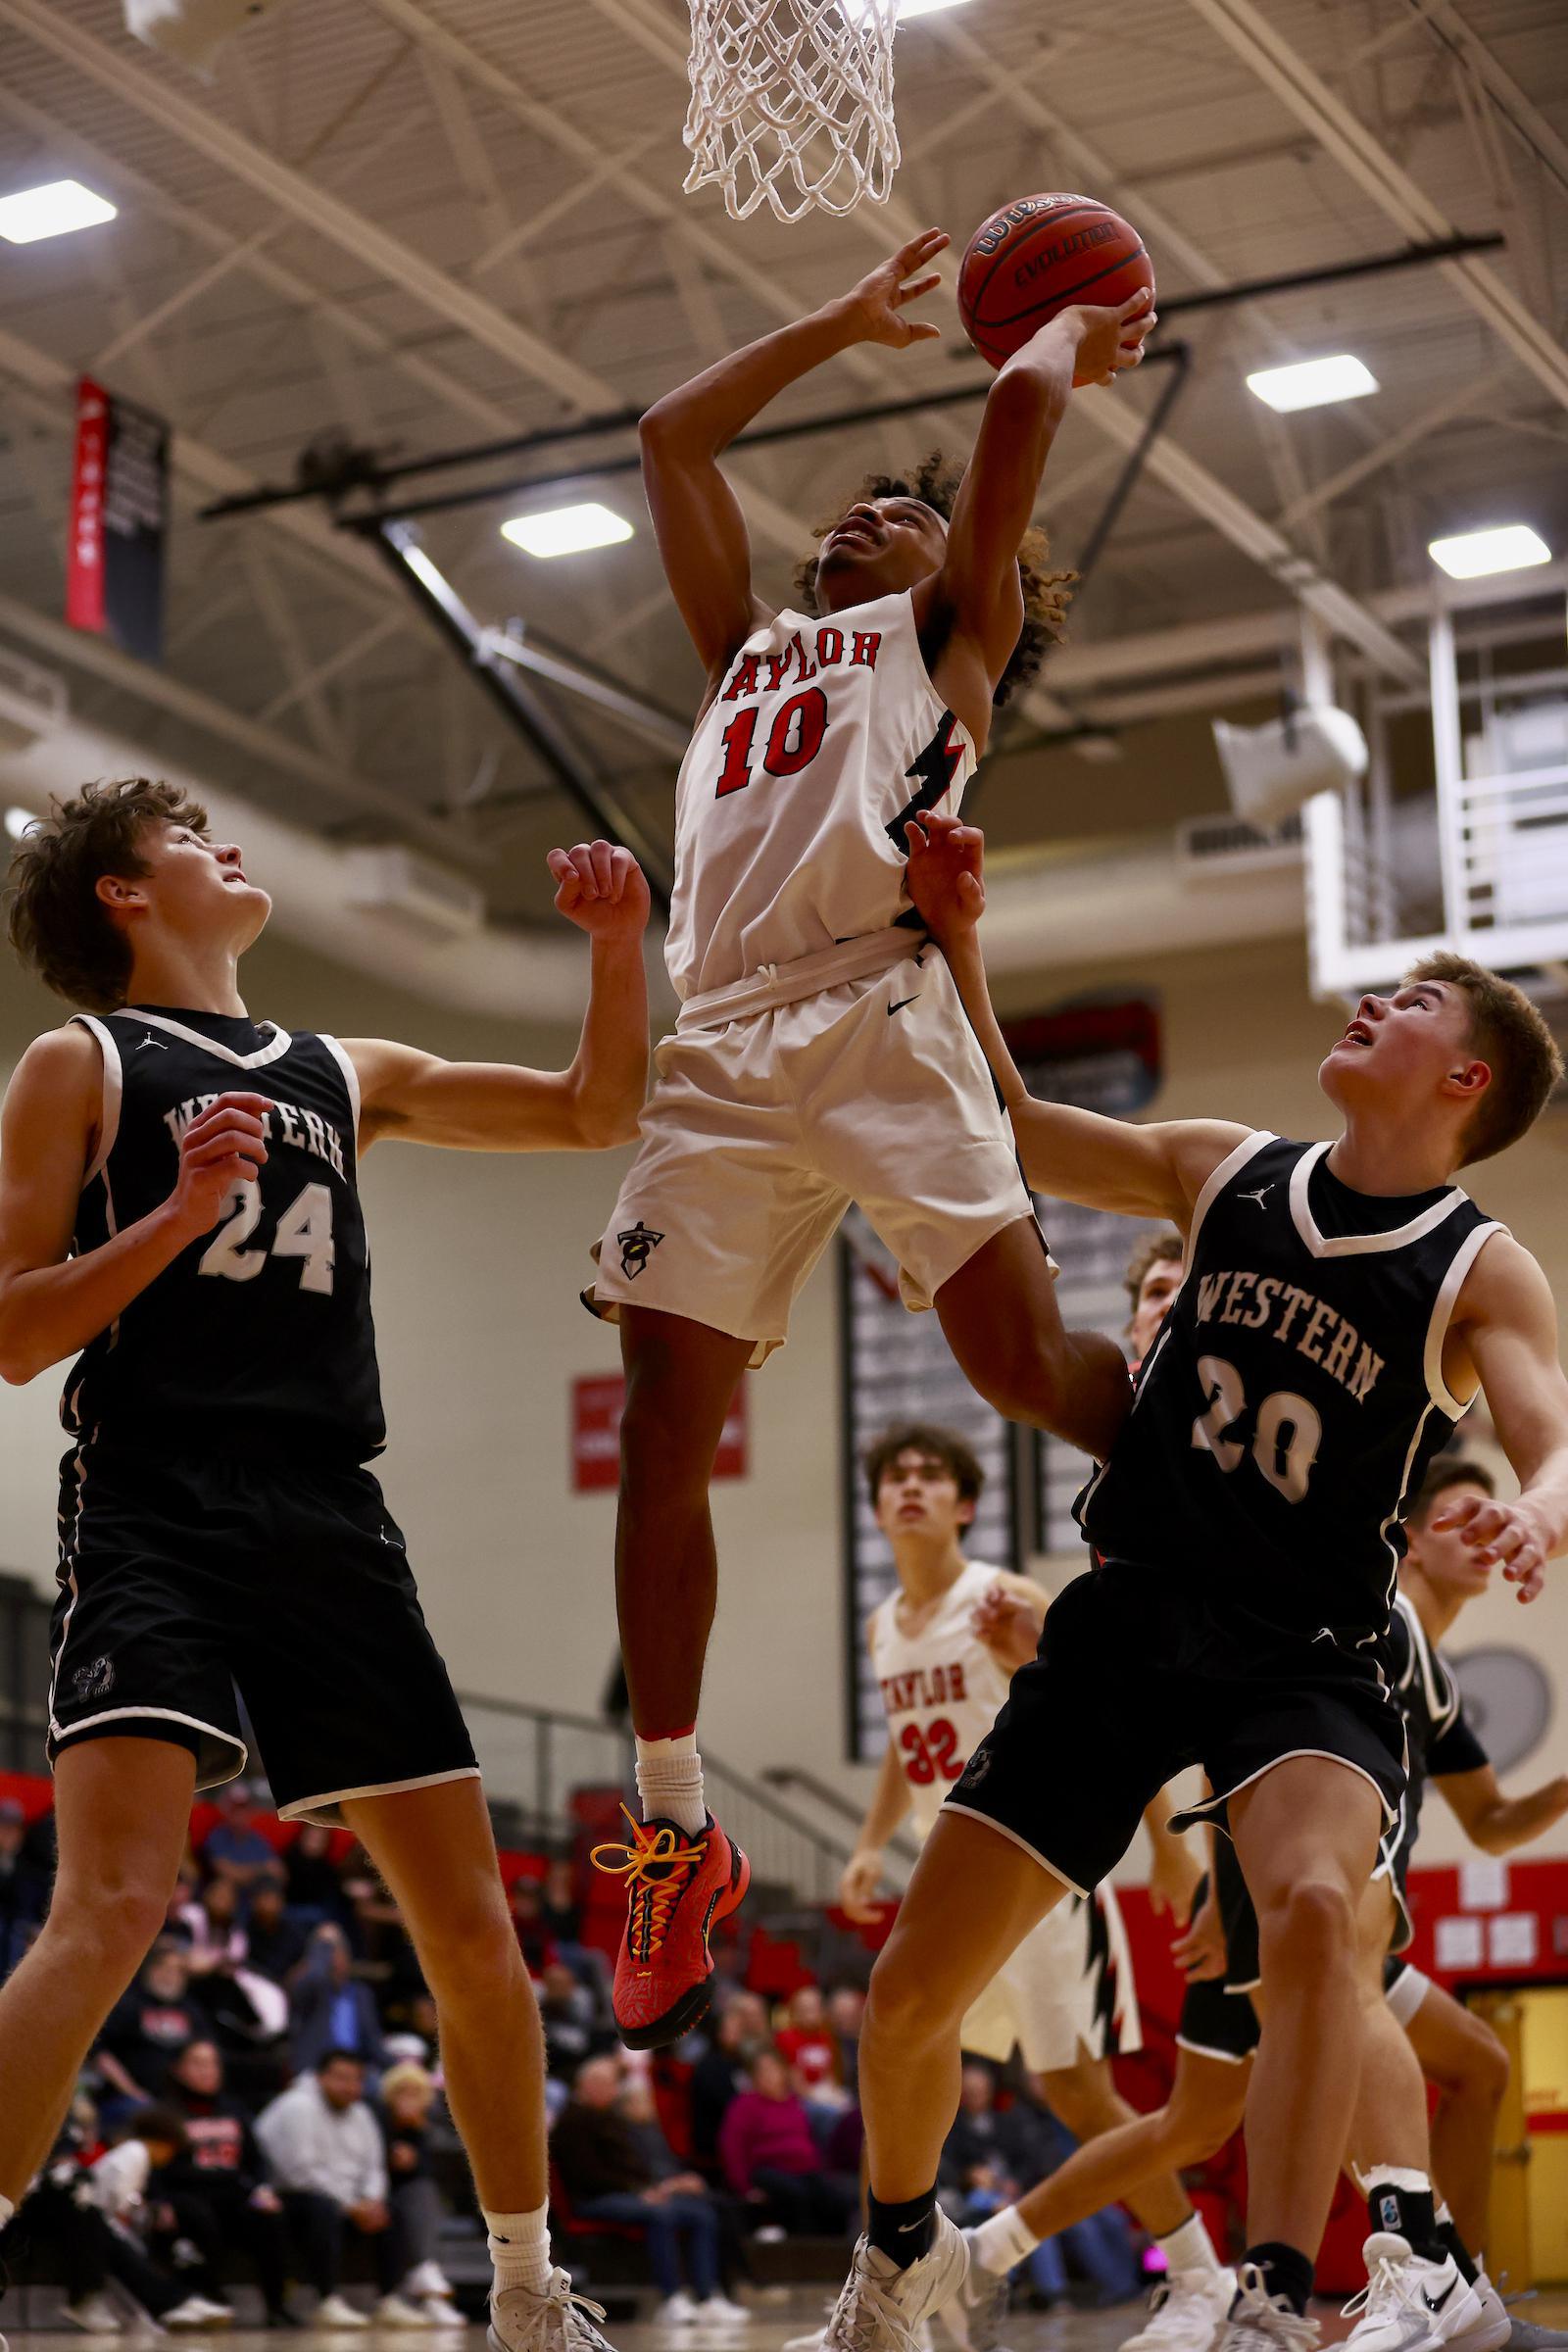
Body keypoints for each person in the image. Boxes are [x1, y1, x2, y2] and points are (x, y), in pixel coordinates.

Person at [812, 807, 1568, 2352]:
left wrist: (1541, 1513)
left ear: (1466, 1080)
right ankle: (895, 2263)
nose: (1376, 1001)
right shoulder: (1228, 1169)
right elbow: (1017, 1122)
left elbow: (1551, 1430)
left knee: (1316, 1913)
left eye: (1416, 1000)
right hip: (1134, 1615)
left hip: (1304, 1645)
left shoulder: (1476, 1261)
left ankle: (1276, 2296)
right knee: (908, 1996)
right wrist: (960, 935)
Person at [584, 230, 1155, 2050]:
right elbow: (672, 439)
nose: (859, 522)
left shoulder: (948, 644)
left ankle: (1228, 1502)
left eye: (896, 519)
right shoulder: (744, 656)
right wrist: (837, 322)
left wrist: (1062, 332)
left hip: (882, 1010)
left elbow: (1009, 425)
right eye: (845, 514)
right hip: (722, 1048)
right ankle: (675, 1824)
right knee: (663, 1425)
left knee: (1020, 1370)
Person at [0, 778, 651, 2352]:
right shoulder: (79, 1062)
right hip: (152, 1500)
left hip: (326, 1513)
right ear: (122, 894)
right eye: (185, 836)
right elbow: (14, 1332)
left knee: (472, 1931)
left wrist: (619, 946)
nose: (225, 843)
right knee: (110, 1908)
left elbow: (592, 1110)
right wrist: (176, 1217)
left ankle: (524, 2291)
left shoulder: (342, 1070)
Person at [840, 1419, 1228, 2348]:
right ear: (877, 1509)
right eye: (895, 1478)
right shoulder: (882, 1626)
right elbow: (905, 1745)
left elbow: (1109, 1711)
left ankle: (1199, 2274)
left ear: (965, 1505)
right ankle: (892, 2290)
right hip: (949, 1878)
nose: (911, 1487)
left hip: (1043, 1876)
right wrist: (869, 1842)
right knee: (899, 2069)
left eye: (931, 1475)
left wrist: (1169, 1845)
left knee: (1080, 2096)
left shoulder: (1004, 1598)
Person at [550, 2055, 734, 2328]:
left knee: (700, 2214)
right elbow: (587, 2176)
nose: (616, 2091)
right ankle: (671, 2298)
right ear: (590, 2084)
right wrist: (639, 2192)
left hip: (629, 2193)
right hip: (594, 2199)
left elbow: (635, 2166)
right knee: (661, 2214)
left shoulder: (609, 2116)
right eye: (611, 2084)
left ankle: (706, 2296)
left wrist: (657, 2187)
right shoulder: (572, 2121)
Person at [257, 2049, 404, 2328]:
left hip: (347, 2200)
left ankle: (388, 2299)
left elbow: (375, 2167)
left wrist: (371, 2200)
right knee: (322, 2209)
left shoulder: (361, 2112)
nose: (350, 2086)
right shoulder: (296, 2107)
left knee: (391, 2210)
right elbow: (299, 2174)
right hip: (290, 2198)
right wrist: (351, 2205)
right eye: (341, 2078)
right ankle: (326, 2300)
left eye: (356, 2079)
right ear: (320, 2077)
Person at [162, 2036, 293, 2328]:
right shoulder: (166, 2112)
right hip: (188, 2193)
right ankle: (210, 2296)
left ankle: (277, 2305)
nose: (207, 2071)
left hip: (232, 2193)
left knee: (269, 2216)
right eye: (197, 2063)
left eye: (212, 2064)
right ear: (178, 2070)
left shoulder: (234, 2109)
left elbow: (256, 2160)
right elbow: (158, 2167)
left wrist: (262, 2189)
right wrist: (159, 2202)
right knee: (198, 2216)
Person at [717, 2049, 858, 2238]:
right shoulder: (744, 2105)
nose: (768, 2076)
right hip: (768, 2170)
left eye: (773, 2069)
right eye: (762, 2071)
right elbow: (732, 2147)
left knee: (833, 2197)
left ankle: (835, 2249)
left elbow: (808, 2141)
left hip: (805, 2170)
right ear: (754, 2077)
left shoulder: (793, 2102)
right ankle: (804, 2247)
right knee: (797, 2196)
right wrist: (745, 2188)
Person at [379, 2058, 466, 2328]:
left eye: (415, 2092)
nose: (408, 2099)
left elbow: (450, 2163)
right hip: (384, 2194)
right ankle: (428, 2283)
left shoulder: (432, 2125)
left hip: (425, 2199)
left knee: (424, 2196)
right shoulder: (379, 2122)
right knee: (421, 2197)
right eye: (401, 2092)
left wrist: (420, 2131)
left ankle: (429, 2288)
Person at [290, 1922, 386, 2077]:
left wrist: (397, 2067)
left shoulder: (362, 1994)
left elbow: (373, 2040)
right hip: (315, 2070)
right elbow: (312, 1979)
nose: (334, 1959)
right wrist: (322, 1949)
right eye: (327, 1951)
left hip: (357, 2071)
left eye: (338, 1951)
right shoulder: (313, 1991)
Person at [0, 1798, 49, 1984]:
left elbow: (36, 1906)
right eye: (5, 1829)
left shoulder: (29, 1868)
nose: (10, 1835)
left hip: (21, 1933)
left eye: (15, 1830)